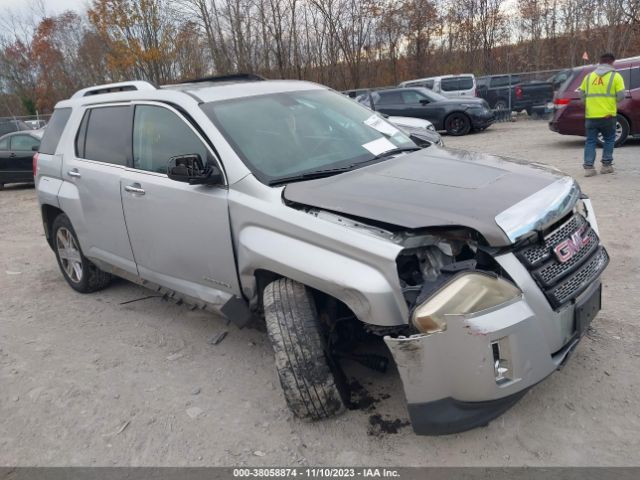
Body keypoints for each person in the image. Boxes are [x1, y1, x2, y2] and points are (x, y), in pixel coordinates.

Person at [578, 53, 626, 177]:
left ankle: (589, 168)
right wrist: (610, 102)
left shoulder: (588, 77)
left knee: (590, 141)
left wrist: (589, 103)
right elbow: (621, 95)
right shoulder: (616, 77)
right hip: (608, 115)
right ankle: (606, 166)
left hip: (591, 115)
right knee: (609, 139)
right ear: (612, 62)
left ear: (600, 62)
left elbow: (581, 93)